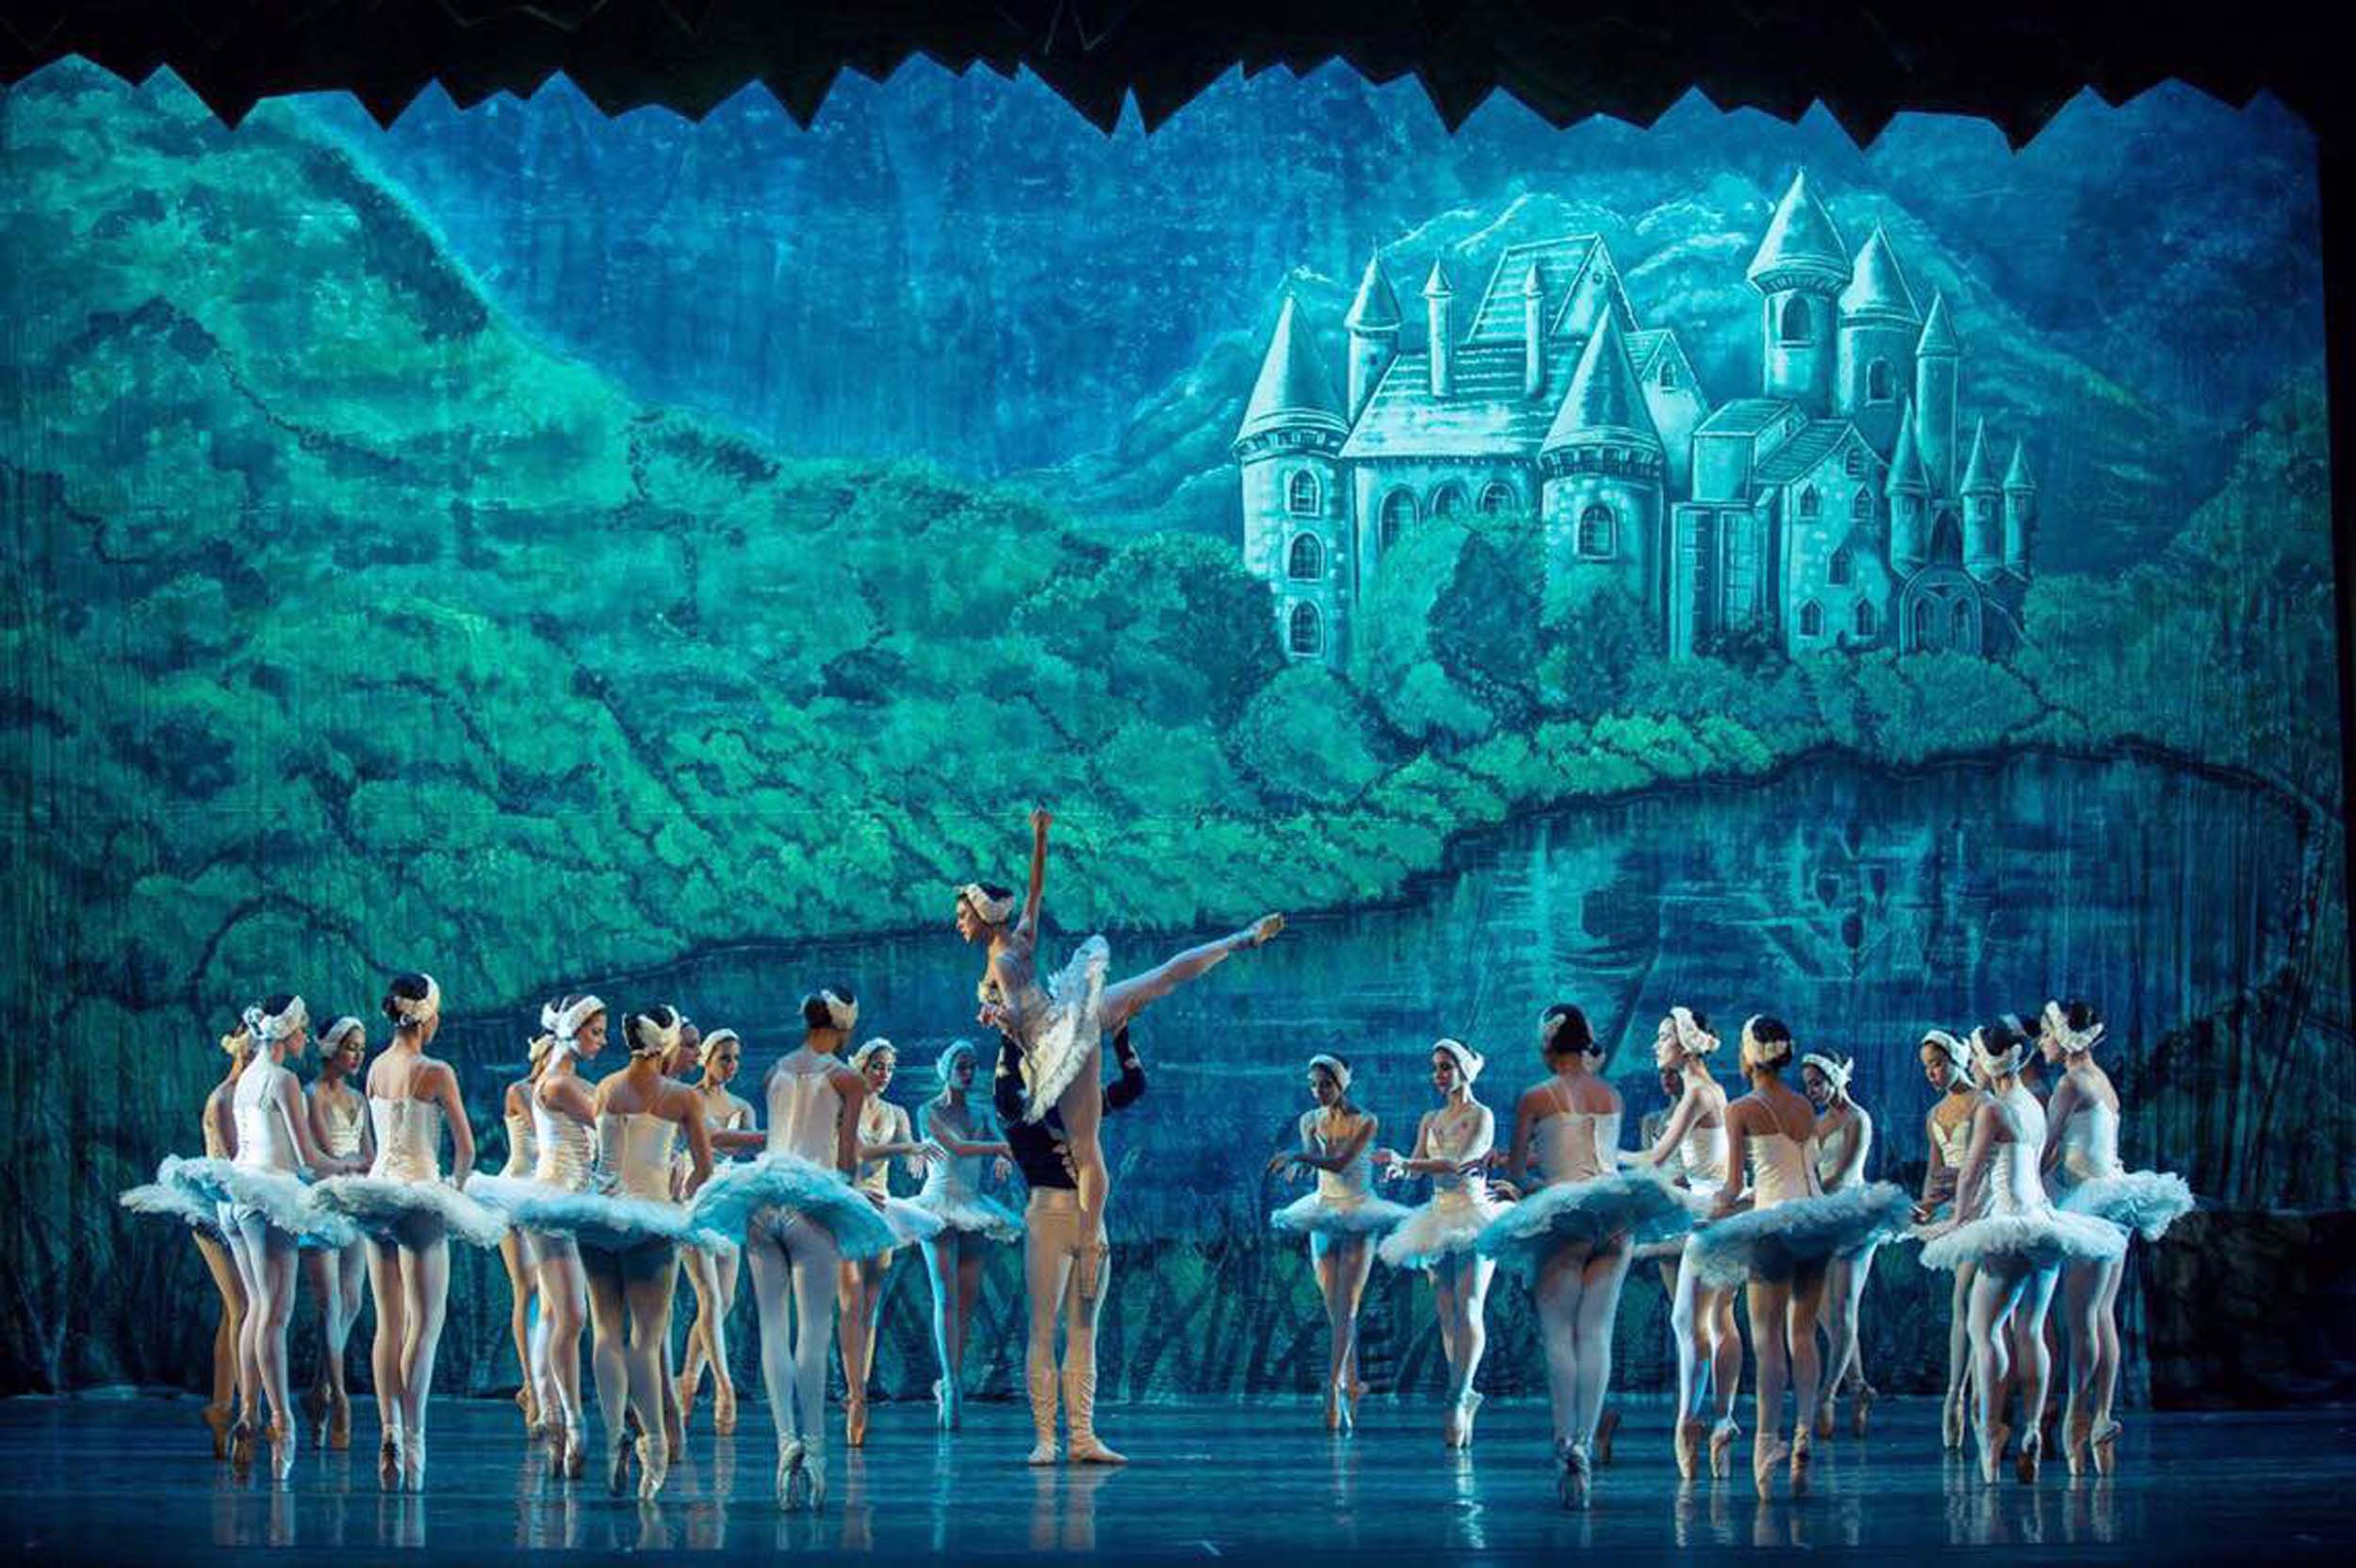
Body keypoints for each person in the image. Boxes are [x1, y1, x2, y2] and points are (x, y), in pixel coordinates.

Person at [957, 808, 1282, 1306]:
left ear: (983, 916)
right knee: (1159, 979)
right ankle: (1240, 939)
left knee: (1085, 1146)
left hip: (1058, 1042)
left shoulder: (1002, 960)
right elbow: (1036, 890)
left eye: (963, 914)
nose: (958, 922)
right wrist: (1040, 836)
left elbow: (1021, 1015)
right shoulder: (1018, 939)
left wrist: (999, 1015)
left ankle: (1090, 1246)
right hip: (1070, 1008)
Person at [693, 988, 905, 1511]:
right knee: (813, 1330)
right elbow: (847, 1160)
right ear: (842, 1025)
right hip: (811, 1203)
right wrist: (852, 1193)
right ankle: (814, 1451)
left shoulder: (775, 1072)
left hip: (763, 1200)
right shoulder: (847, 1079)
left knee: (772, 1326)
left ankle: (784, 1441)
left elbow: (775, 1144)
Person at [1475, 1005, 1688, 1507]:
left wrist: (1521, 1188)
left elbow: (1523, 1174)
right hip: (1614, 1214)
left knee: (1559, 1335)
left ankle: (1564, 1441)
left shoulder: (1535, 1097)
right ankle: (1585, 1445)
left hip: (1566, 1217)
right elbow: (1598, 1159)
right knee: (1595, 1333)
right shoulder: (1610, 1095)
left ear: (1549, 1044)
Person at [1688, 1017, 1909, 1498]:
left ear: (1750, 1055)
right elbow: (1806, 1174)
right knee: (1803, 1333)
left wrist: (1709, 1211)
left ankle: (1768, 1442)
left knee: (1767, 1339)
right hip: (1814, 1222)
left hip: (1772, 1226)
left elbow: (1733, 1185)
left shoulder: (1741, 1109)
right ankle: (1805, 1429)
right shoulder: (1804, 1107)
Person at [314, 973, 508, 1491]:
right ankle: (414, 1442)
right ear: (428, 1018)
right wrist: (455, 1192)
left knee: (388, 1324)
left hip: (379, 1196)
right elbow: (466, 1147)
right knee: (424, 1324)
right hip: (420, 1196)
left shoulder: (376, 1067)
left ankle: (389, 1431)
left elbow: (377, 1145)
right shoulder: (435, 1071)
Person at [165, 996, 367, 1482]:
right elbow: (307, 1157)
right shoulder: (282, 1079)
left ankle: (248, 1413)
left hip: (236, 1198)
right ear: (287, 1032)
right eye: (300, 1029)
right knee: (274, 1314)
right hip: (268, 1198)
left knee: (255, 1310)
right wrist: (352, 1166)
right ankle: (282, 1422)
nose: (305, 1038)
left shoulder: (246, 1080)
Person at [1920, 1021, 2126, 1485]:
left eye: (1976, 1056)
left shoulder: (1992, 1108)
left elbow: (1971, 1174)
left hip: (2010, 1225)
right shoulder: (2034, 1103)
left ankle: (1992, 1432)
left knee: (1983, 1329)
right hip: (2044, 1225)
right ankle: (2032, 1425)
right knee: (2030, 1329)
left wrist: (1958, 1220)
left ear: (1987, 1061)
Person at [2038, 999, 2194, 1477]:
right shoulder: (2101, 1081)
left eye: (2046, 1032)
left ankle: (2076, 1417)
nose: (2041, 1042)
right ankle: (2103, 1413)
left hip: (2090, 1201)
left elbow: (2045, 1150)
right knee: (2102, 1313)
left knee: (2080, 1317)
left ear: (2065, 1038)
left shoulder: (2069, 1084)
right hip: (2116, 1197)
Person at [470, 992, 609, 1479]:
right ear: (571, 1032)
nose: (603, 1040)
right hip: (550, 1202)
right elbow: (608, 1122)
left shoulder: (574, 1081)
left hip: (571, 1200)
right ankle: (565, 1415)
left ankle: (554, 1412)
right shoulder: (557, 1084)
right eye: (595, 1032)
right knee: (567, 1314)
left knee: (555, 1313)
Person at [997, 1023, 1147, 1466]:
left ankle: (1083, 1435)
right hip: (1048, 1215)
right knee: (1044, 1327)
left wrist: (1120, 1034)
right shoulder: (1020, 1106)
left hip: (1090, 1221)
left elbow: (1134, 1085)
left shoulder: (1084, 1105)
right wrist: (1009, 1034)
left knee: (1085, 1330)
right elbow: (1006, 1087)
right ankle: (1046, 1438)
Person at [117, 1019, 256, 1459]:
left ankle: (221, 1406)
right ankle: (241, 1412)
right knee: (243, 1308)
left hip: (235, 1209)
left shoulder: (250, 1094)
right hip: (215, 1212)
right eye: (255, 1049)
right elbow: (235, 1163)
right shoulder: (226, 1097)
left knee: (235, 1311)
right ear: (242, 1050)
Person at [1374, 1038, 1507, 1449]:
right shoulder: (1430, 1118)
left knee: (1469, 1307)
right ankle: (1462, 1389)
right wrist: (1399, 1172)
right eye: (1435, 1068)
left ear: (1463, 1070)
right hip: (1437, 1216)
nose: (1438, 1075)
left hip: (1473, 1216)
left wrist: (1405, 1162)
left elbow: (1456, 1165)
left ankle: (1458, 1395)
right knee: (1448, 1314)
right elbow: (1418, 1168)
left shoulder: (1481, 1115)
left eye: (1446, 1067)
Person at [1268, 1052, 1408, 1433]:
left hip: (1360, 1212)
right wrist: (1299, 1165)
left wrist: (1299, 1156)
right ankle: (1352, 1384)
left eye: (1326, 1084)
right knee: (1336, 1310)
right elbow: (1315, 1160)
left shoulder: (1366, 1120)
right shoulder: (1309, 1119)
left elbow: (1341, 1163)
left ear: (1342, 1084)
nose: (1318, 1092)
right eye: (1313, 1085)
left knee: (1347, 1306)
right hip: (1323, 1210)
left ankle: (1332, 1389)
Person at [1632, 1007, 1737, 1478]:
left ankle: (1688, 1423)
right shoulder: (1710, 1089)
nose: (1656, 1045)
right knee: (1715, 1319)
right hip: (1714, 1211)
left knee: (1688, 1319)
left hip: (1711, 1216)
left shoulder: (1696, 1092)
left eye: (1663, 1037)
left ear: (1686, 1043)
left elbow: (1655, 1157)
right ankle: (1719, 1420)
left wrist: (1594, 1153)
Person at [911, 1039, 1022, 1433]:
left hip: (972, 1204)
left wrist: (1005, 1153)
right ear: (946, 1068)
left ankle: (951, 1378)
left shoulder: (981, 1111)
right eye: (961, 1065)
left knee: (966, 1300)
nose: (969, 1072)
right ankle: (952, 1383)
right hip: (939, 1203)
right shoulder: (928, 1111)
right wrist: (1000, 1148)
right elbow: (956, 1147)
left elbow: (1004, 1142)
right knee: (945, 1296)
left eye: (973, 1066)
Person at [678, 1026, 757, 1436]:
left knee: (723, 1301)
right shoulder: (687, 1098)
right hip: (693, 1200)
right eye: (725, 1057)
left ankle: (687, 1379)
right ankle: (722, 1388)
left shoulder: (742, 1105)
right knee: (709, 1297)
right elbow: (701, 1142)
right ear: (706, 1058)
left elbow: (744, 1150)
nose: (732, 1065)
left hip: (726, 1201)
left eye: (736, 1058)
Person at [1801, 1050, 1881, 1439]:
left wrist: (1811, 1194)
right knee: (1822, 1310)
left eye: (1817, 1083)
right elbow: (1811, 1170)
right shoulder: (1817, 1124)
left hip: (1853, 1214)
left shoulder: (1857, 1119)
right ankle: (1859, 1386)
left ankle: (1828, 1395)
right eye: (1808, 1085)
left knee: (1844, 1305)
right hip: (1823, 1214)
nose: (1812, 1091)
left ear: (1835, 1078)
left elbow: (1844, 1174)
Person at [301, 1015, 372, 1451]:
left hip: (356, 1198)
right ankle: (338, 1397)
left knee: (353, 1301)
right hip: (323, 1198)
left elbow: (368, 1153)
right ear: (330, 1049)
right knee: (330, 1304)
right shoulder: (310, 1095)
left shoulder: (358, 1098)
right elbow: (322, 1153)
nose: (357, 1055)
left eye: (361, 1048)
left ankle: (318, 1390)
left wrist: (361, 1167)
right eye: (350, 1047)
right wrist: (351, 1166)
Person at [494, 1028, 557, 1439]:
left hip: (545, 1194)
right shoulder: (520, 1090)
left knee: (549, 1293)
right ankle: (531, 1386)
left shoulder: (565, 1091)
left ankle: (542, 1382)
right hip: (515, 1190)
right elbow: (545, 1133)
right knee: (527, 1287)